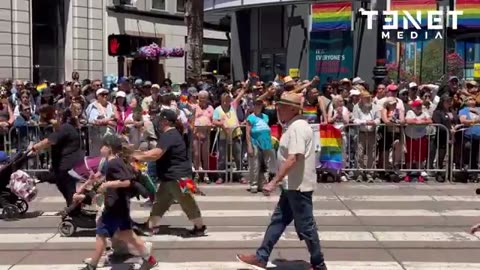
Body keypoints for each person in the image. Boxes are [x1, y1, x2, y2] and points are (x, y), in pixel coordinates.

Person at [236, 92, 328, 270]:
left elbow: (294, 158)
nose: (278, 109)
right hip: (291, 185)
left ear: (293, 109)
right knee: (278, 221)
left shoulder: (298, 127)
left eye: (282, 106)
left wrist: (274, 181)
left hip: (298, 186)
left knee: (306, 227)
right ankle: (261, 257)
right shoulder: (292, 126)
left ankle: (319, 264)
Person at [81, 135, 156, 270]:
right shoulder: (116, 162)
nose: (101, 148)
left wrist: (108, 184)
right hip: (120, 205)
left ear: (109, 148)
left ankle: (91, 266)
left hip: (114, 206)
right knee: (128, 235)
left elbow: (126, 181)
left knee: (101, 235)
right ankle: (149, 259)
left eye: (103, 146)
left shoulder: (113, 163)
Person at [132, 109, 206, 236]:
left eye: (160, 120)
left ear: (165, 121)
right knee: (160, 202)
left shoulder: (169, 135)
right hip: (171, 177)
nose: (158, 123)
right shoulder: (173, 134)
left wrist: (137, 156)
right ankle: (150, 226)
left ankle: (199, 227)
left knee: (187, 201)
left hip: (178, 177)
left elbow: (156, 153)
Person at [30, 109, 85, 207]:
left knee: (68, 189)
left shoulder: (65, 128)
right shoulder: (62, 129)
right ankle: (73, 207)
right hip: (63, 166)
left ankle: (75, 209)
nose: (49, 122)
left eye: (52, 119)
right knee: (61, 184)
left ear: (59, 118)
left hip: (68, 165)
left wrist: (35, 147)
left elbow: (50, 141)